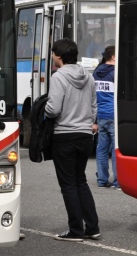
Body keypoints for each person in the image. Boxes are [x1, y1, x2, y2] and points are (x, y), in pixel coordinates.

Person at [45, 38, 100, 242]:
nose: (52, 57)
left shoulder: (58, 77)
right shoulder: (88, 77)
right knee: (80, 181)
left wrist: (44, 108)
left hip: (65, 135)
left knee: (68, 184)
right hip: (85, 135)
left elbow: (54, 109)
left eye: (53, 54)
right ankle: (92, 227)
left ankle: (76, 230)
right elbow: (94, 106)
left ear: (59, 56)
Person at [94, 45, 118, 189]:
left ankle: (102, 180)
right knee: (115, 150)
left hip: (101, 116)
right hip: (114, 115)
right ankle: (118, 181)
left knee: (101, 149)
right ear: (113, 57)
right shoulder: (115, 72)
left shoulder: (96, 72)